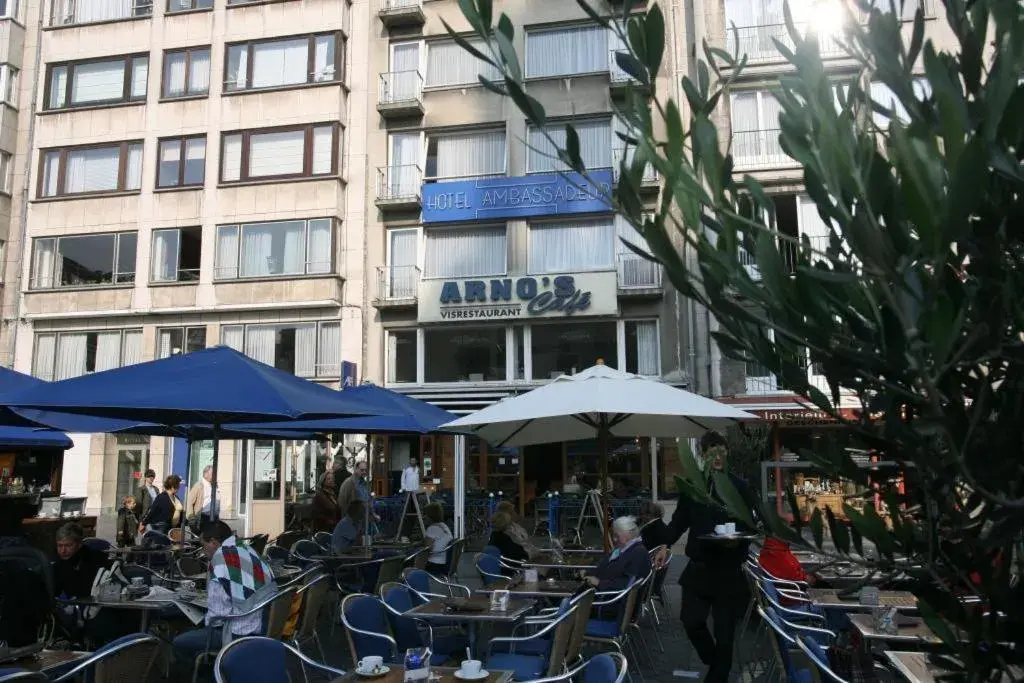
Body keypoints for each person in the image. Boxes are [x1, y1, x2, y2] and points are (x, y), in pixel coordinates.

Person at [654, 431, 762, 683]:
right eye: (710, 450)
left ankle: (718, 674)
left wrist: (737, 541)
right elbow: (678, 523)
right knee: (691, 622)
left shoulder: (740, 487)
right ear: (702, 455)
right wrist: (663, 545)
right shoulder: (693, 489)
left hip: (728, 572)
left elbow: (753, 526)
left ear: (727, 453)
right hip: (698, 571)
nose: (716, 455)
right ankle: (715, 663)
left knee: (725, 634)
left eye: (720, 449)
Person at [172, 521, 276, 666]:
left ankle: (210, 674)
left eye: (203, 545)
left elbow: (217, 618)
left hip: (239, 632)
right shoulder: (249, 550)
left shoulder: (219, 563)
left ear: (214, 542)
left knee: (179, 642)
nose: (203, 550)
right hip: (266, 623)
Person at [586, 516, 652, 592]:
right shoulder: (626, 549)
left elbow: (627, 583)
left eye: (617, 536)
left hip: (608, 598)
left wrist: (599, 583)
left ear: (629, 535)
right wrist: (588, 573)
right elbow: (606, 565)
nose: (614, 539)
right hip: (602, 592)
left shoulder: (638, 553)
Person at [54, 523, 110, 599]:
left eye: (68, 545)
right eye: (60, 546)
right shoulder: (57, 563)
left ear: (79, 544)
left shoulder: (96, 560)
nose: (63, 550)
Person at [337, 460, 378, 528]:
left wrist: (373, 514)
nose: (364, 472)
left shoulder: (365, 484)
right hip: (351, 521)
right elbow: (342, 502)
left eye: (366, 470)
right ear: (356, 469)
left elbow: (367, 501)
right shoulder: (348, 483)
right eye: (362, 470)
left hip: (363, 522)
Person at [423, 502, 453, 576]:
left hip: (435, 565)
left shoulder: (432, 529)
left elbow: (426, 549)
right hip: (445, 563)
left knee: (408, 560)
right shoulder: (444, 526)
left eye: (425, 514)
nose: (423, 517)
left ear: (429, 515)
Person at [186, 466, 217, 530]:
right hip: (201, 519)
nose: (215, 475)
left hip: (212, 518)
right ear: (205, 474)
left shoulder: (214, 486)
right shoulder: (199, 485)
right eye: (213, 473)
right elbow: (189, 501)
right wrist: (191, 518)